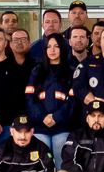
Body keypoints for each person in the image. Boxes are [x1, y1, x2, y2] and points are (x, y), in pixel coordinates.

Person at [27, 32, 77, 162]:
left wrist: (56, 117)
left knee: (62, 158)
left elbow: (73, 101)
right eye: (49, 47)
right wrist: (43, 117)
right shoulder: (37, 71)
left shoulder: (71, 71)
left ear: (62, 48)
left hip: (62, 126)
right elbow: (30, 98)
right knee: (41, 162)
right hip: (40, 125)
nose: (52, 50)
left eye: (56, 46)